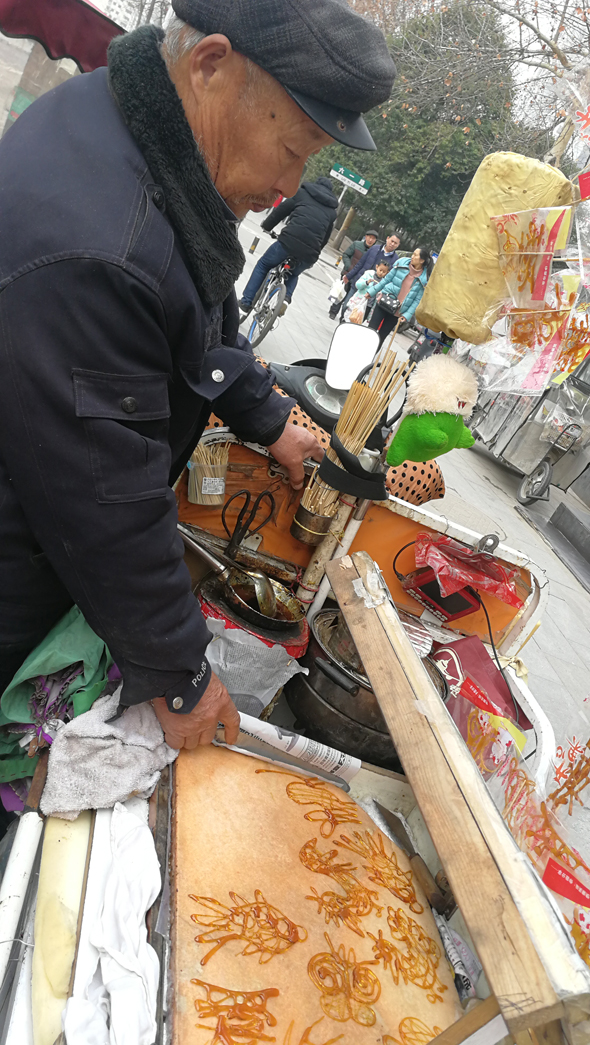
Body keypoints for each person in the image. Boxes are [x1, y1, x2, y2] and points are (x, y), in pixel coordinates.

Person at [0, 0, 395, 749]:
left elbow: (197, 320)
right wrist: (180, 672)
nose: (290, 185)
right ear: (211, 65)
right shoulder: (101, 238)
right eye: (293, 149)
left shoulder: (142, 138)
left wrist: (271, 419)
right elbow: (106, 496)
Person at [238, 177, 338, 313]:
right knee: (293, 274)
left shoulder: (302, 193)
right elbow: (325, 238)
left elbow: (281, 210)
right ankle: (285, 298)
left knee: (263, 265)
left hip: (289, 241)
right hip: (310, 252)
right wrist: (314, 253)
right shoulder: (332, 212)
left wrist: (267, 226)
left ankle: (245, 303)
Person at [367, 247, 433, 345]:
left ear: (422, 260)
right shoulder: (402, 263)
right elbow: (386, 280)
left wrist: (407, 316)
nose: (412, 256)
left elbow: (417, 300)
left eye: (415, 255)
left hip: (397, 312)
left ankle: (372, 354)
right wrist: (371, 292)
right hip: (384, 301)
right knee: (370, 331)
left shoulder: (423, 279)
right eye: (413, 254)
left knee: (381, 336)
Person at [329, 232, 401, 319]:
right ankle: (343, 319)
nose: (392, 244)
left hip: (372, 291)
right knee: (346, 306)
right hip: (360, 283)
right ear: (387, 238)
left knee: (359, 314)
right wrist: (348, 276)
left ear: (398, 245)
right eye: (392, 241)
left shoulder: (395, 260)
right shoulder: (374, 249)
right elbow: (360, 264)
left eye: (395, 243)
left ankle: (346, 323)